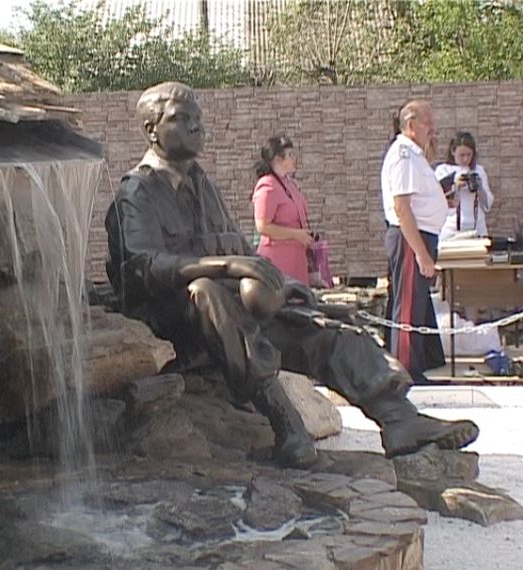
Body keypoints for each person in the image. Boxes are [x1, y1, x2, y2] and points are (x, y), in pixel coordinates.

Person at [106, 82, 478, 468]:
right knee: (205, 292)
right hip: (173, 327)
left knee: (320, 325)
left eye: (197, 118)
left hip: (233, 315)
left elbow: (241, 252)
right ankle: (286, 424)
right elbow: (143, 265)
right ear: (152, 130)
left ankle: (400, 420)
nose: (196, 127)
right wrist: (226, 267)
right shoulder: (138, 192)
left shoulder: (205, 187)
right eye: (181, 119)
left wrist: (288, 287)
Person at [381, 100, 447, 385]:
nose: (432, 128)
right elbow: (402, 207)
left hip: (420, 235)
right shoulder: (403, 155)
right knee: (407, 306)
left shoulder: (416, 155)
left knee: (417, 305)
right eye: (426, 122)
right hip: (410, 238)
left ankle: (416, 366)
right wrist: (421, 253)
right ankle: (406, 372)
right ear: (410, 125)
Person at [251, 135, 314, 285]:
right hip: (277, 261)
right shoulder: (268, 186)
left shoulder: (289, 184)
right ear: (278, 159)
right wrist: (295, 234)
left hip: (296, 259)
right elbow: (263, 226)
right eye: (290, 155)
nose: (294, 159)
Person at [434, 131, 494, 240]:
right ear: (453, 151)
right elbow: (435, 198)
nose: (465, 159)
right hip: (451, 229)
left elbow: (487, 204)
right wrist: (454, 185)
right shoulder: (443, 170)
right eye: (462, 155)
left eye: (469, 155)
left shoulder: (479, 171)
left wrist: (479, 187)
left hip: (477, 228)